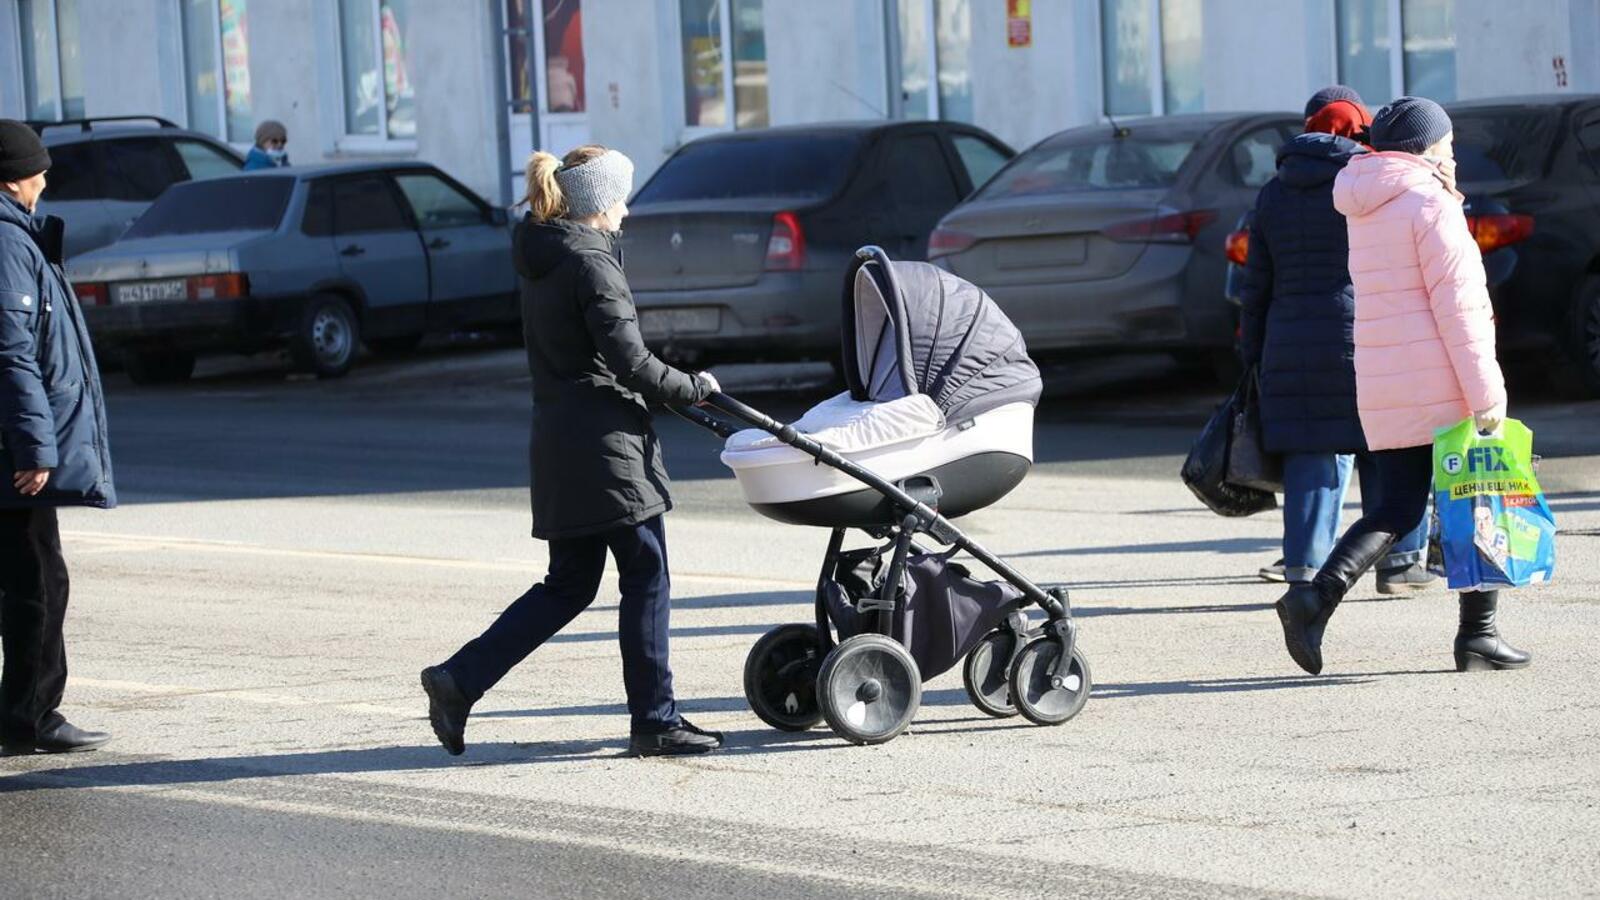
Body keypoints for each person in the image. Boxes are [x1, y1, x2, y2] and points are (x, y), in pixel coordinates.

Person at [421, 145, 725, 757]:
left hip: (561, 442)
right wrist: (695, 387)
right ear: (597, 202)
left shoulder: (545, 255)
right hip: (607, 447)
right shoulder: (590, 264)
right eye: (620, 199)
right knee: (646, 576)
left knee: (569, 584)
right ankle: (655, 720)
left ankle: (460, 679)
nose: (626, 212)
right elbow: (631, 363)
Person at [1274, 97, 1529, 675]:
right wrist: (1487, 395)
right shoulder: (1429, 203)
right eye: (1447, 144)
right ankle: (1479, 636)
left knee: (1396, 506)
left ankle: (1313, 600)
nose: (1453, 154)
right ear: (1426, 148)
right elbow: (1461, 310)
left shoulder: (1368, 201)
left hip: (1386, 379)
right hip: (1444, 380)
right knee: (1476, 501)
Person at [1240, 86, 1434, 593]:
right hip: (1365, 331)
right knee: (1388, 442)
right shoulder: (1369, 183)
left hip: (1289, 340)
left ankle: (1304, 569)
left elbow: (1255, 284)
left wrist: (1251, 352)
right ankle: (1400, 563)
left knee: (1310, 452)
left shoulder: (1273, 192)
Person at [0, 120, 115, 753]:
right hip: (13, 453)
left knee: (31, 580)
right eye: (38, 171)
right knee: (38, 585)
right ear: (13, 178)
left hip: (13, 444)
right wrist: (35, 448)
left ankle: (23, 712)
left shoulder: (17, 234)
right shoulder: (6, 242)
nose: (45, 182)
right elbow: (10, 354)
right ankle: (30, 718)